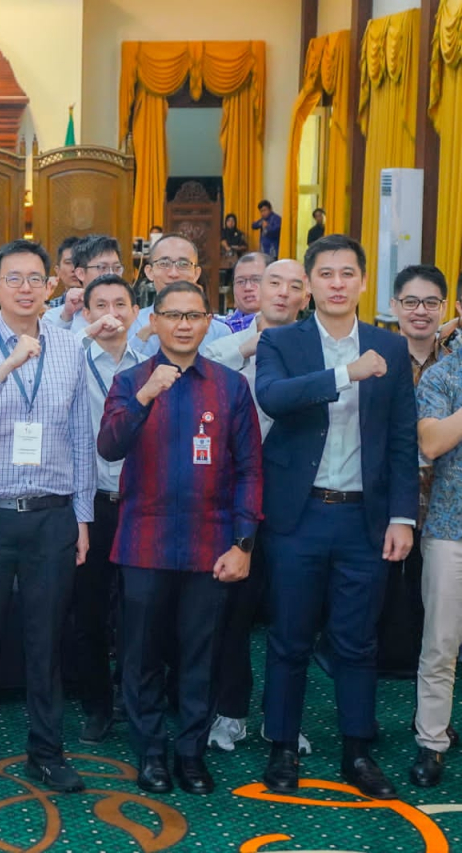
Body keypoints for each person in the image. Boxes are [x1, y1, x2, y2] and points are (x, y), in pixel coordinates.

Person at [256, 234, 417, 800]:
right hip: (299, 517)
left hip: (363, 520)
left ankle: (357, 750)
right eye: (325, 274)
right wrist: (347, 373)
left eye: (348, 273)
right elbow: (274, 398)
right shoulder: (283, 342)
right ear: (308, 285)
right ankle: (281, 746)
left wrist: (403, 517)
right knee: (290, 638)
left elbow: (400, 440)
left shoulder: (390, 349)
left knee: (357, 641)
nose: (337, 283)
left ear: (364, 281)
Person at [0, 240, 94, 795]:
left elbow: (81, 436)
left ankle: (46, 752)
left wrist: (81, 515)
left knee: (45, 639)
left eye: (36, 278)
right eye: (14, 279)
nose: (26, 288)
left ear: (50, 286)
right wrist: (5, 368)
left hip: (51, 516)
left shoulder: (72, 348)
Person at [98, 281, 263, 796]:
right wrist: (146, 398)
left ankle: (190, 754)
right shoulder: (131, 381)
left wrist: (244, 542)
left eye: (194, 314)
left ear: (209, 320)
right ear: (155, 322)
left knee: (201, 655)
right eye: (173, 315)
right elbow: (108, 447)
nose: (184, 324)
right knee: (141, 656)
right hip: (143, 541)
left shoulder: (231, 387)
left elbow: (251, 471)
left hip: (210, 545)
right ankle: (151, 752)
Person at [203, 258, 313, 755]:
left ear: (306, 297)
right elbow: (196, 369)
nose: (283, 294)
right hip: (231, 500)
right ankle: (229, 713)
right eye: (274, 283)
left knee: (293, 616)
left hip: (298, 501)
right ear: (253, 290)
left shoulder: (317, 349)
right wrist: (255, 346)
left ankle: (284, 718)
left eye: (295, 287)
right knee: (231, 615)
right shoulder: (224, 343)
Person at [68, 273, 144, 745]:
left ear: (136, 313)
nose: (112, 313)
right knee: (89, 609)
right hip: (90, 501)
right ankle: (96, 705)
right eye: (101, 305)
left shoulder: (151, 363)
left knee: (139, 609)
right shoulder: (73, 357)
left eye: (121, 304)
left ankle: (133, 698)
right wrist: (82, 337)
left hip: (141, 501)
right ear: (87, 312)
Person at [379, 265, 453, 678]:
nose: (420, 311)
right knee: (388, 596)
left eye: (431, 302)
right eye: (410, 302)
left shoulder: (454, 363)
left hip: (445, 501)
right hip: (390, 496)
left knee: (439, 606)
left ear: (444, 307)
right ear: (394, 306)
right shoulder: (377, 359)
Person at [410, 301, 462, 787]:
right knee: (441, 644)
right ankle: (431, 741)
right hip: (450, 529)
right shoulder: (442, 377)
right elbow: (430, 443)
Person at [131, 234, 233, 355]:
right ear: (149, 272)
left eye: (183, 264)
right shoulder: (131, 325)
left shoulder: (219, 333)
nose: (173, 273)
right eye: (164, 264)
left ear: (196, 273)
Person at [46, 234, 125, 333]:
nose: (111, 274)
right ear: (80, 273)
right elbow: (55, 347)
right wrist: (67, 317)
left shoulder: (128, 314)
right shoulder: (54, 317)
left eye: (116, 268)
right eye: (102, 268)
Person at [220, 253, 269, 333]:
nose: (247, 287)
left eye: (256, 280)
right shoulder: (218, 329)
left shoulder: (287, 329)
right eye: (240, 281)